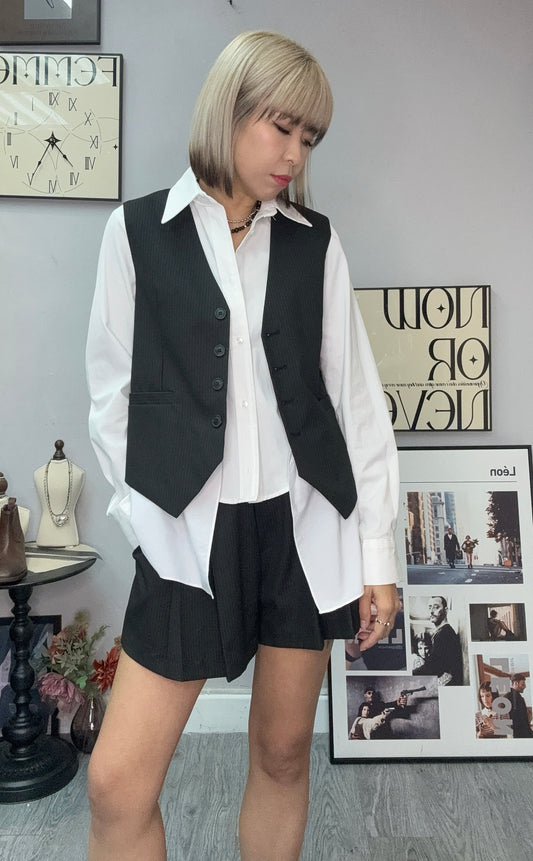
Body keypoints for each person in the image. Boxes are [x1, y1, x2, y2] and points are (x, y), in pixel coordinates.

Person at [85, 31, 400, 861]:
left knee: (283, 751)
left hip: (300, 529)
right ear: (228, 110)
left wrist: (376, 556)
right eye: (281, 127)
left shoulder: (313, 241)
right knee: (116, 785)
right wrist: (147, 522)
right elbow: (111, 398)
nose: (294, 154)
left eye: (310, 138)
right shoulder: (136, 233)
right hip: (187, 528)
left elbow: (355, 402)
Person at [412, 596, 463, 685]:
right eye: (430, 607)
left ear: (446, 610)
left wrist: (411, 673)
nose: (431, 611)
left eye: (436, 607)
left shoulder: (445, 633)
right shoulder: (441, 632)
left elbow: (434, 668)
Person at [504, 674, 533, 738]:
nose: (525, 686)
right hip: (520, 734)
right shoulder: (516, 697)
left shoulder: (508, 696)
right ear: (516, 683)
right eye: (523, 684)